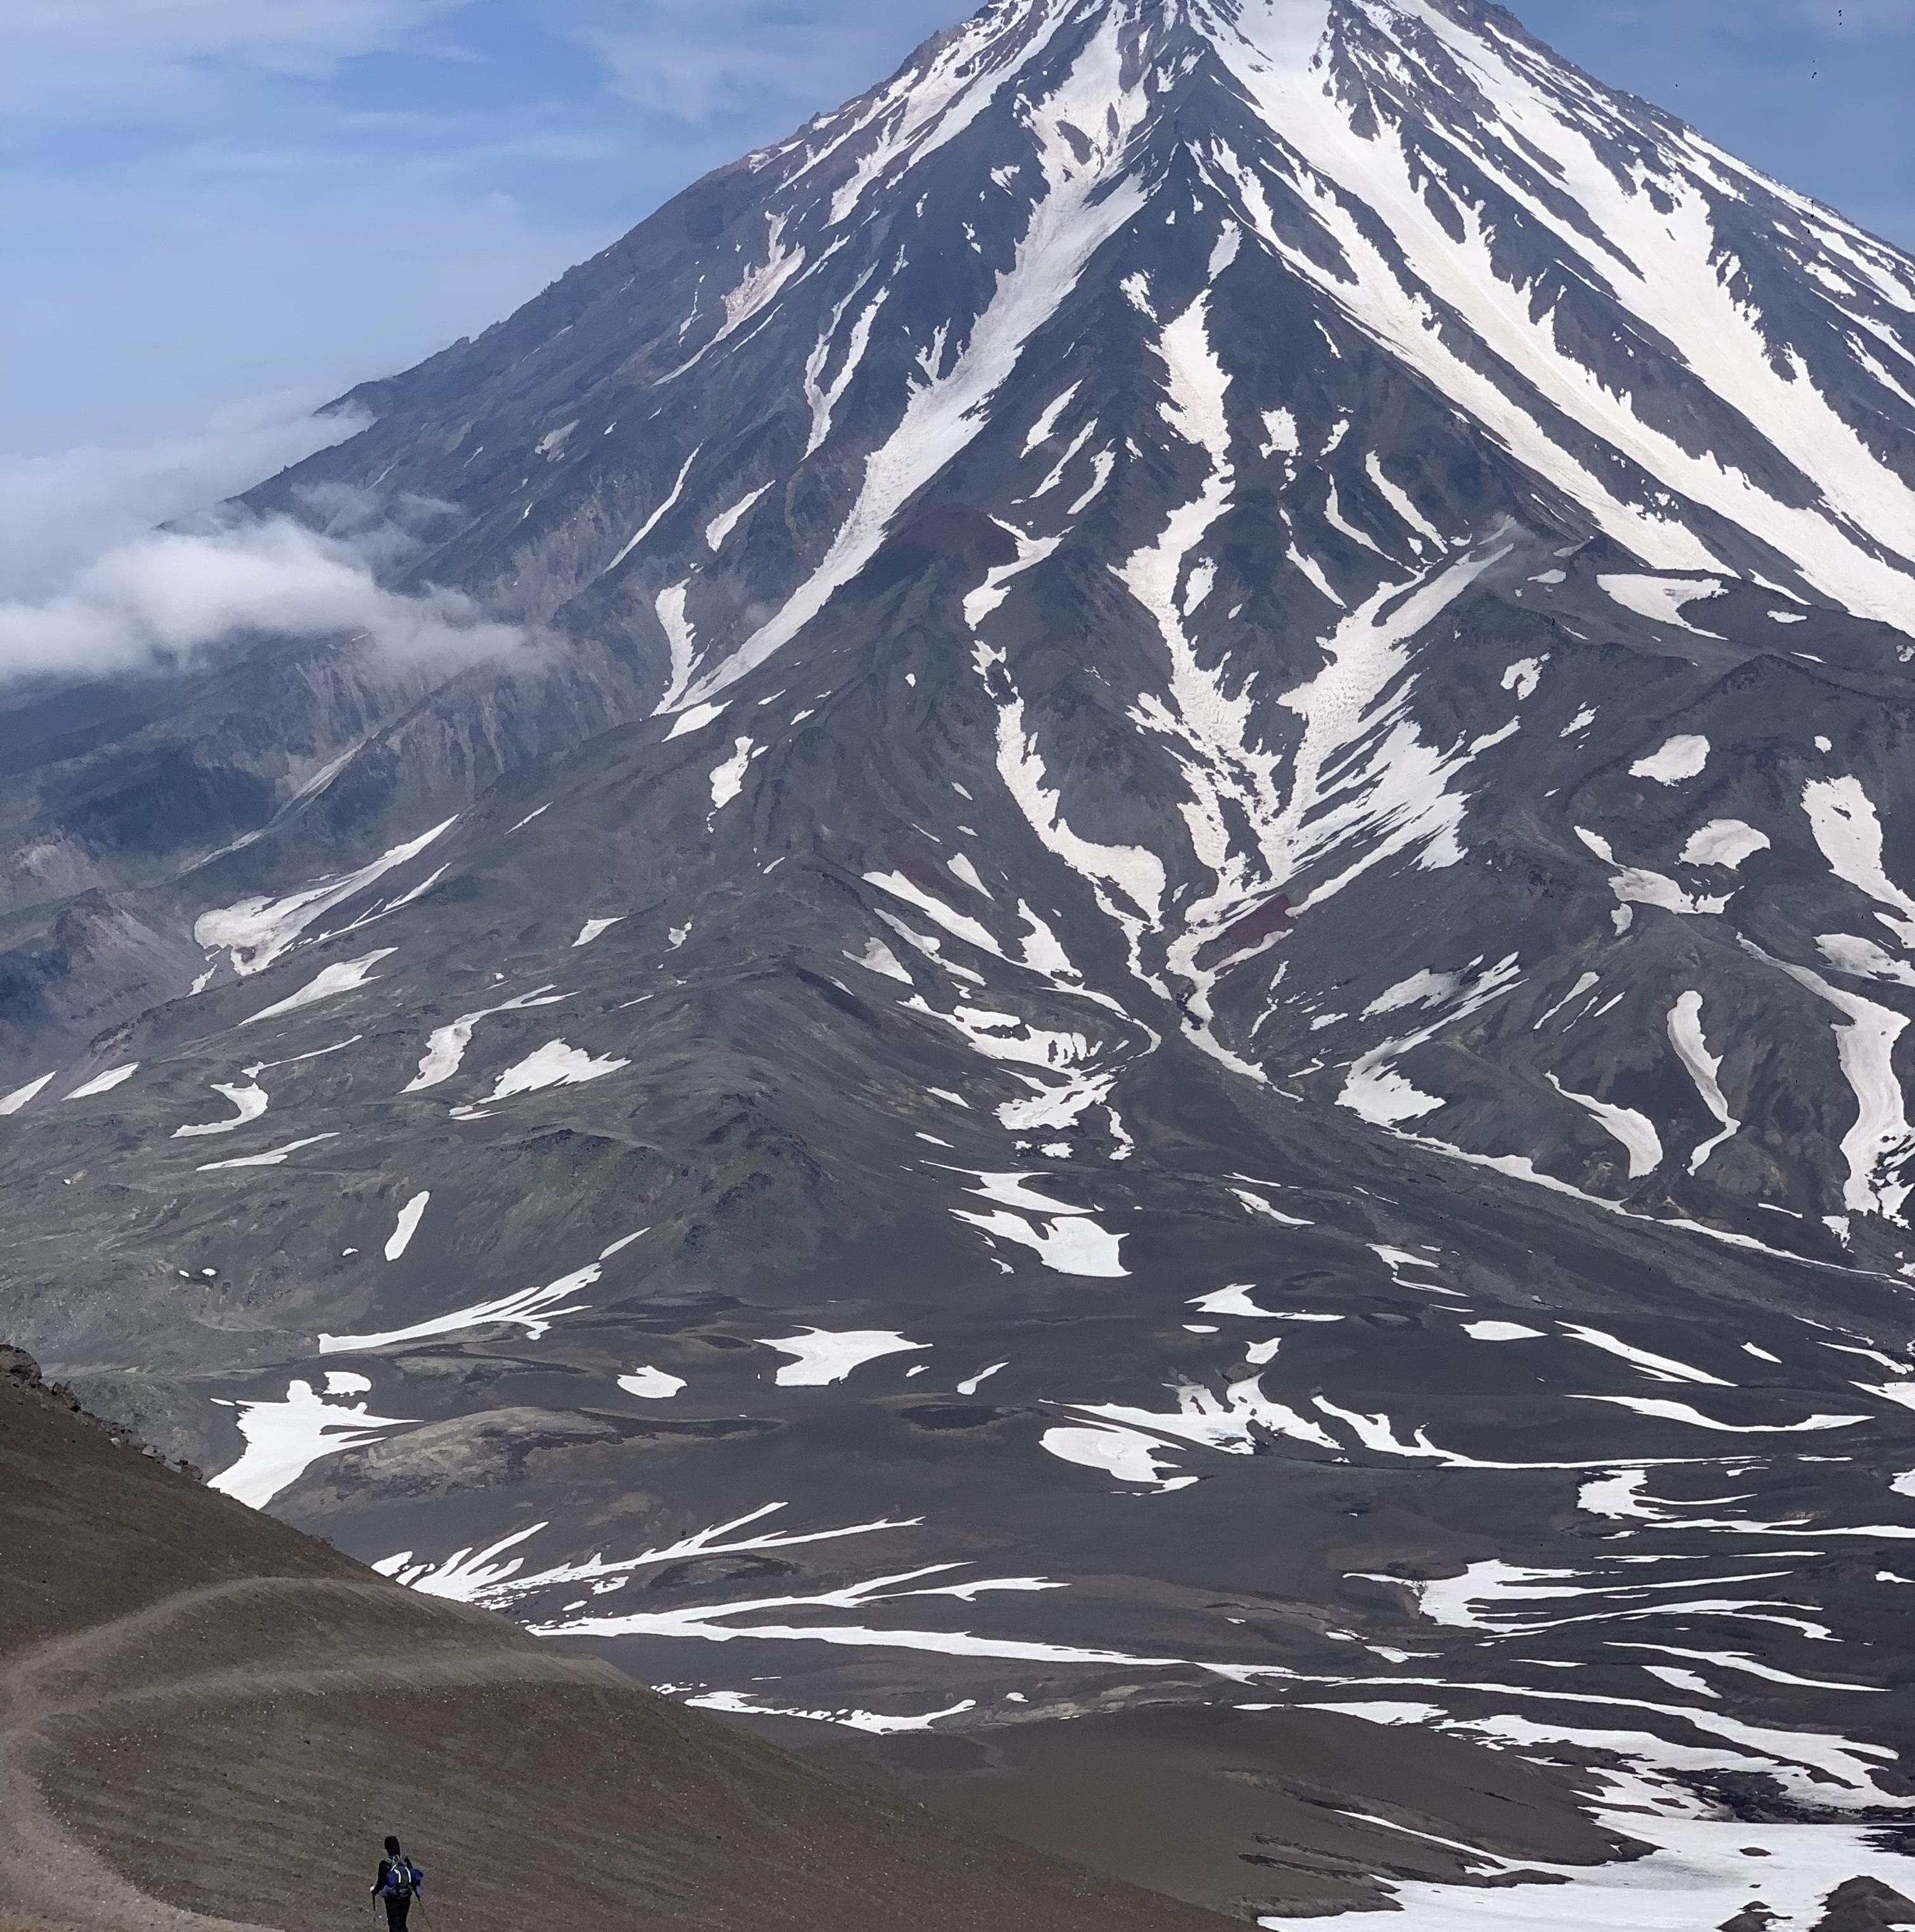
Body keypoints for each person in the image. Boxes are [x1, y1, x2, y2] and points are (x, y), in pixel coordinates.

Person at [371, 1836, 423, 1932]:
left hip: (393, 1900)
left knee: (394, 1925)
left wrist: (374, 1891)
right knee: (402, 1924)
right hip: (406, 1898)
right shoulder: (406, 1861)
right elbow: (412, 1878)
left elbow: (381, 1883)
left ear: (387, 1848)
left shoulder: (385, 1864)